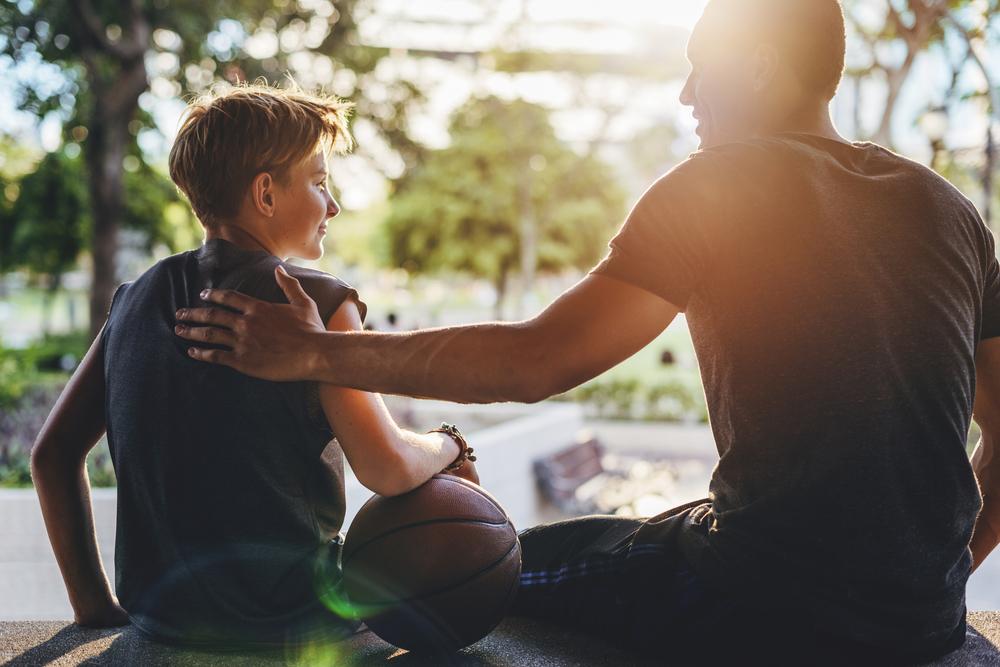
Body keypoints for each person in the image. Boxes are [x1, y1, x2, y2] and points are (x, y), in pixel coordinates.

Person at [175, 1, 1000, 664]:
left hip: (759, 604)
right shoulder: (948, 209)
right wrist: (931, 581)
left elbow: (537, 360)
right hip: (926, 623)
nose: (685, 96)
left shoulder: (717, 187)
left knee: (486, 557)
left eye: (699, 70)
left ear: (757, 64)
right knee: (669, 522)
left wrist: (316, 351)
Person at [29, 81, 478, 649]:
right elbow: (386, 469)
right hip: (294, 621)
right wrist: (448, 444)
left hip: (161, 619)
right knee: (481, 545)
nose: (333, 205)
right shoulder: (316, 304)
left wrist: (94, 606)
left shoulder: (133, 299)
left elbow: (51, 454)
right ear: (265, 194)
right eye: (319, 183)